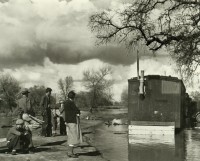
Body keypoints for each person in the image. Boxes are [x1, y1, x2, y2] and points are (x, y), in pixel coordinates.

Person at [64, 91, 82, 158]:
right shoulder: (71, 103)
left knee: (70, 136)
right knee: (73, 137)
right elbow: (76, 110)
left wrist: (65, 120)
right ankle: (70, 153)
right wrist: (78, 112)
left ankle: (70, 152)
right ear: (73, 97)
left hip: (68, 121)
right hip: (72, 121)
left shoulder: (65, 102)